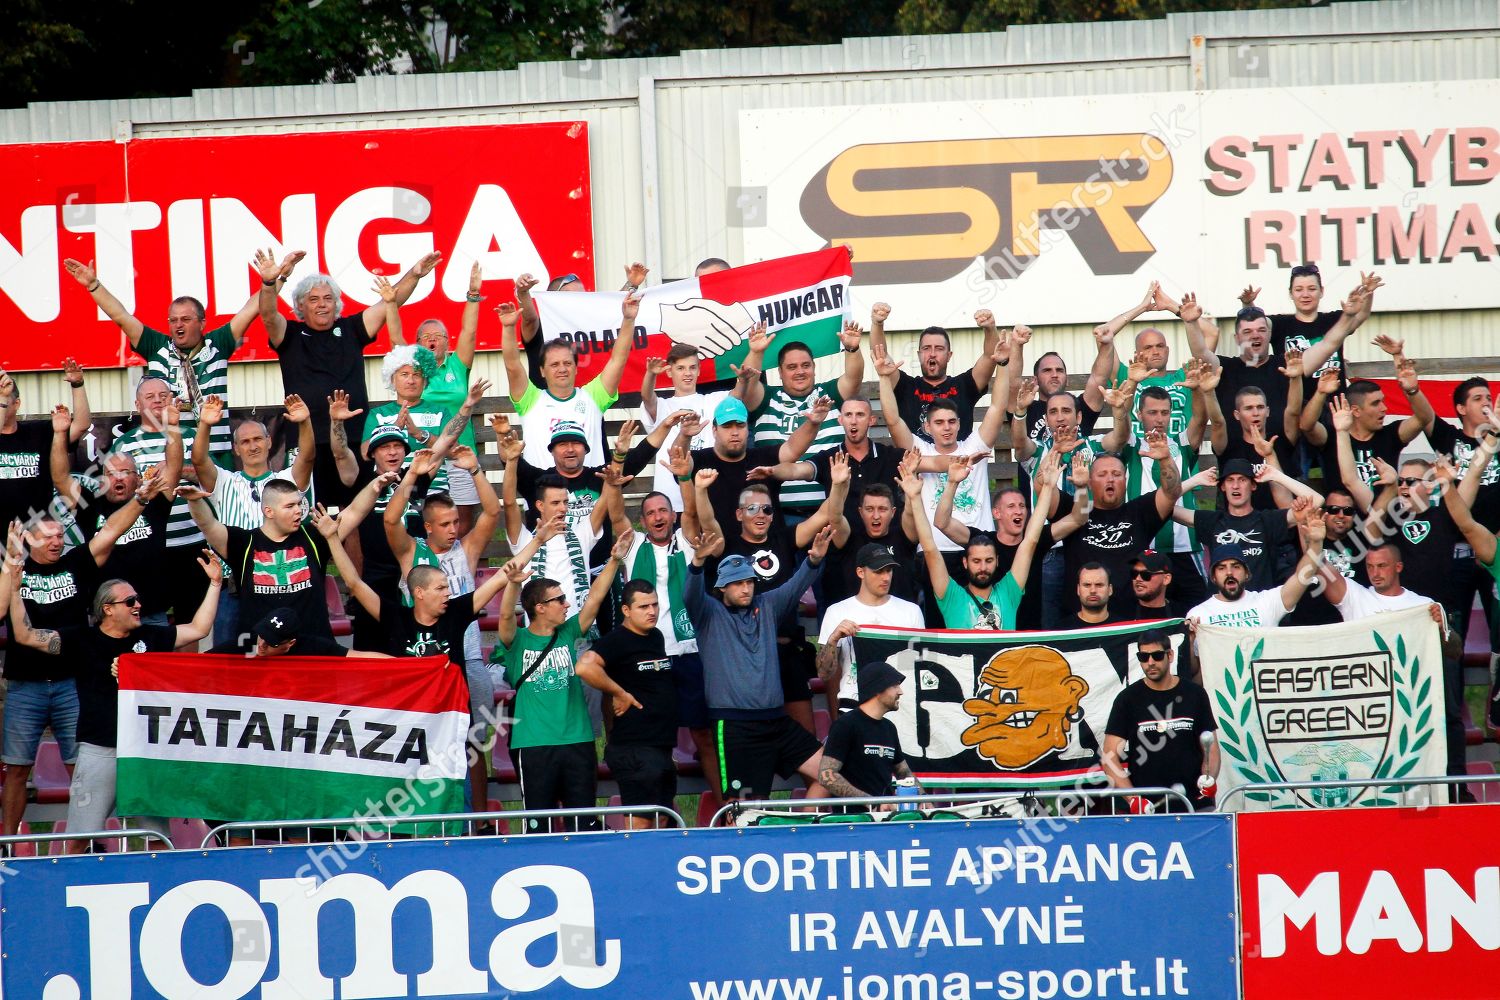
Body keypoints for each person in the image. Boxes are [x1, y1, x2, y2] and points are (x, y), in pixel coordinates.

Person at [323, 506, 554, 811]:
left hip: (451, 733)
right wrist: (331, 538)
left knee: (457, 806)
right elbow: (354, 583)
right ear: (418, 592)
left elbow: (501, 577)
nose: (448, 593)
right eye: (441, 588)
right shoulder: (396, 618)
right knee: (410, 808)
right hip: (410, 731)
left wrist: (537, 541)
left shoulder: (456, 614)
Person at [4, 555, 220, 852]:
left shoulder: (151, 636)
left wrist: (216, 583)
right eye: (129, 601)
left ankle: (157, 886)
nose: (138, 606)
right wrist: (15, 592)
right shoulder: (82, 640)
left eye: (137, 600)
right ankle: (71, 886)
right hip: (99, 749)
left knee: (158, 836)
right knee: (80, 836)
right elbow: (26, 636)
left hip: (143, 752)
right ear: (108, 609)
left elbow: (199, 629)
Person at [1, 496, 156, 836]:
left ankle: (87, 840)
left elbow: (113, 529)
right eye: (47, 537)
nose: (57, 542)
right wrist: (10, 568)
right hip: (24, 684)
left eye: (60, 535)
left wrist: (142, 498)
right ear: (28, 539)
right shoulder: (15, 569)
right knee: (15, 769)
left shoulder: (76, 564)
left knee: (80, 765)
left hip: (71, 682)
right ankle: (7, 844)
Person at [254, 249, 442, 504]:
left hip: (354, 441)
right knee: (309, 512)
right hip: (307, 445)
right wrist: (268, 283)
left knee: (357, 513)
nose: (322, 304)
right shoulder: (289, 334)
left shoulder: (351, 328)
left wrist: (415, 274)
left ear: (336, 303)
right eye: (314, 299)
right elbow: (267, 315)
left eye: (328, 298)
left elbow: (391, 302)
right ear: (300, 305)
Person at [690, 462, 847, 733]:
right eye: (752, 508)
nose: (760, 514)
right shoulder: (728, 544)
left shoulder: (785, 538)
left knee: (805, 739)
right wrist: (701, 491)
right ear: (739, 514)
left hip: (786, 651)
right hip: (745, 655)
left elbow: (825, 515)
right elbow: (707, 522)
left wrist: (839, 485)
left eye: (767, 509)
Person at [63, 256, 262, 466]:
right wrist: (94, 285)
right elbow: (120, 316)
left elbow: (250, 309)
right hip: (171, 453)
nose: (178, 325)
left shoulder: (218, 344)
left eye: (185, 319)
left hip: (216, 451)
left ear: (202, 323)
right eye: (173, 320)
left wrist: (275, 280)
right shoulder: (156, 345)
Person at [683, 526, 834, 801]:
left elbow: (796, 585)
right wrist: (697, 564)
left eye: (750, 582)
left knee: (830, 775)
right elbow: (690, 596)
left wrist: (813, 560)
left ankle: (802, 822)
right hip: (734, 726)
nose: (746, 588)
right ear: (722, 588)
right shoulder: (709, 613)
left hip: (776, 720)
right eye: (738, 583)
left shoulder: (766, 605)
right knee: (742, 809)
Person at [495, 532, 633, 831]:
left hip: (578, 741)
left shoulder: (569, 632)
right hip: (533, 744)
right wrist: (513, 584)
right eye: (558, 599)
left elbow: (595, 598)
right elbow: (506, 616)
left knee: (583, 823)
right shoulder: (516, 641)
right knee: (537, 828)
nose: (566, 604)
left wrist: (614, 560)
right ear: (539, 607)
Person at [1318, 541, 1463, 790]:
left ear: (1398, 567)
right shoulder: (1356, 596)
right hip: (1368, 705)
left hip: (1411, 704)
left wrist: (1441, 628)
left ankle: (1455, 793)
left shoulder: (1423, 604)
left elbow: (1455, 651)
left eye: (1382, 566)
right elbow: (1319, 566)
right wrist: (1311, 538)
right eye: (1370, 566)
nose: (1375, 572)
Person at [877, 336, 1013, 586]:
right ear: (927, 427)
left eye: (952, 421)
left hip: (978, 550)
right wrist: (885, 378)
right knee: (939, 625)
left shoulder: (975, 446)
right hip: (933, 550)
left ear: (960, 423)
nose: (946, 428)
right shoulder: (919, 449)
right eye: (939, 423)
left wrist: (1003, 365)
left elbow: (997, 407)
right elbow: (893, 420)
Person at [619, 456, 718, 792]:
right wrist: (616, 473)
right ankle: (662, 816)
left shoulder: (687, 539)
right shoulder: (632, 546)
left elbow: (691, 513)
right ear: (643, 520)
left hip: (690, 651)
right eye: (650, 513)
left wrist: (685, 476)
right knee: (656, 739)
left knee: (703, 733)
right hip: (649, 654)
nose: (658, 517)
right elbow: (616, 514)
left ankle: (727, 811)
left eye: (663, 511)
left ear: (671, 515)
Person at [190, 393, 319, 645]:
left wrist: (304, 422)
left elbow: (307, 457)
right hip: (234, 587)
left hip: (281, 583)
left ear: (270, 441)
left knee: (294, 654)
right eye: (245, 442)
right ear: (236, 448)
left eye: (258, 439)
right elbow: (199, 460)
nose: (253, 446)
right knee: (233, 659)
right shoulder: (224, 481)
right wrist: (204, 425)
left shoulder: (286, 481)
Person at [49, 403, 182, 629]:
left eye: (125, 472)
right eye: (111, 473)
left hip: (151, 615)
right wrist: (60, 434)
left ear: (138, 479)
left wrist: (174, 427)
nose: (118, 478)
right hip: (106, 618)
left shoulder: (153, 499)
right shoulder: (90, 504)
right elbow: (61, 478)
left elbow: (174, 469)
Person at [903, 453, 1054, 630]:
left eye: (988, 560)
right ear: (965, 562)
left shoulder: (1009, 593)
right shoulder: (952, 597)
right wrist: (915, 497)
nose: (983, 567)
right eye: (976, 561)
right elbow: (929, 548)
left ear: (997, 562)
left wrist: (1048, 488)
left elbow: (1030, 541)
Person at [576, 580, 680, 828]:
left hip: (660, 747)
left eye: (654, 604)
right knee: (641, 824)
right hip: (634, 747)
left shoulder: (655, 636)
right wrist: (619, 692)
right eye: (643, 606)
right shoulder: (617, 640)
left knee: (663, 819)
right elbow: (584, 666)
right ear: (626, 610)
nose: (652, 611)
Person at [109, 377, 210, 626]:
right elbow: (116, 491)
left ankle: (188, 667)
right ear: (137, 403)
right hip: (147, 546)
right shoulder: (124, 443)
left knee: (190, 618)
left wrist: (175, 470)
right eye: (149, 396)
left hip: (189, 539)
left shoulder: (191, 434)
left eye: (163, 396)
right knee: (148, 617)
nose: (157, 401)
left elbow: (209, 475)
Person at [501, 430, 631, 622]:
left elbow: (605, 497)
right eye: (555, 503)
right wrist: (512, 462)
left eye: (565, 502)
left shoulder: (581, 534)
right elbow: (510, 503)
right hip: (539, 635)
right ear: (539, 506)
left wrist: (618, 458)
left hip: (578, 634)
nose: (563, 508)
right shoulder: (525, 540)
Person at [740, 324, 865, 518]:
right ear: (780, 372)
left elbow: (854, 379)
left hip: (831, 511)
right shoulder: (766, 398)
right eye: (791, 367)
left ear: (814, 368)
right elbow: (747, 386)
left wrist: (852, 349)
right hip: (777, 514)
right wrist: (756, 352)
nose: (800, 371)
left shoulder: (830, 394)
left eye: (806, 365)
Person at [500, 290, 634, 469]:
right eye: (554, 364)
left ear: (576, 368)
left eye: (567, 363)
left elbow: (618, 359)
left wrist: (629, 319)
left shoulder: (593, 396)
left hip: (591, 493)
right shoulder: (530, 399)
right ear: (542, 371)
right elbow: (512, 365)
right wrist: (508, 328)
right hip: (542, 493)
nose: (562, 369)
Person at [1050, 441, 1182, 618]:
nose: (1110, 479)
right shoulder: (1076, 512)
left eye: (1116, 474)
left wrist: (1165, 459)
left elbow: (1171, 492)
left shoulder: (1140, 511)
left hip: (1131, 620)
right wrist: (1055, 451)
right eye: (1102, 474)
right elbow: (1042, 489)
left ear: (1125, 481)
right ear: (1089, 482)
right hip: (1082, 623)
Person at [1298, 336, 1434, 494]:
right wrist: (1321, 392)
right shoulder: (1333, 436)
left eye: (1382, 401)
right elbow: (1306, 426)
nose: (1384, 408)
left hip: (1384, 515)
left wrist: (1412, 388)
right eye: (1375, 403)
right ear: (1355, 411)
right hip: (1342, 515)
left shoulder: (1390, 435)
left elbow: (1424, 418)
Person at [1102, 630, 1218, 813]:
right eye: (1143, 657)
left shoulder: (1195, 694)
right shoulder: (1127, 699)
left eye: (1156, 655)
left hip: (1196, 805)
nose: (1150, 663)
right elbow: (1109, 757)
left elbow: (1210, 747)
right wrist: (1133, 800)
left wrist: (1209, 779)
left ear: (1170, 655)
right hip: (1149, 810)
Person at [1175, 458, 1320, 591]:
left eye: (1242, 480)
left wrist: (1277, 476)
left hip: (1260, 606)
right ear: (1223, 487)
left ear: (1253, 486)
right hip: (1221, 608)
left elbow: (1317, 501)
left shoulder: (1268, 520)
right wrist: (1194, 481)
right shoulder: (1212, 521)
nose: (1236, 486)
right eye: (1230, 480)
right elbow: (1162, 507)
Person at [816, 544, 924, 716]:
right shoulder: (837, 611)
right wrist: (833, 639)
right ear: (860, 572)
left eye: (889, 570)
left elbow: (918, 665)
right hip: (853, 703)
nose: (886, 577)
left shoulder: (911, 611)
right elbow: (824, 673)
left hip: (899, 706)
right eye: (878, 571)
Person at [416, 263, 485, 533]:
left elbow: (469, 332)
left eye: (439, 336)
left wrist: (473, 295)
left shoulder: (457, 365)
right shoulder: (414, 371)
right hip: (427, 454)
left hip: (459, 452)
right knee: (425, 520)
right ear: (418, 343)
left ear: (447, 341)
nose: (433, 341)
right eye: (426, 337)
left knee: (462, 521)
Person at [1185, 507, 1326, 638]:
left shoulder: (1266, 602)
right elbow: (1195, 664)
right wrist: (1191, 641)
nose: (1229, 572)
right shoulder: (1199, 615)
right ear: (1213, 578)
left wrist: (1316, 543)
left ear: (1247, 573)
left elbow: (1302, 577)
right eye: (1221, 568)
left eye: (1236, 566)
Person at [689, 396, 827, 529]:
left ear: (747, 429)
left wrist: (814, 423)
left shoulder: (763, 458)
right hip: (721, 549)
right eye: (727, 426)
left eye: (740, 425)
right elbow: (680, 462)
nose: (735, 432)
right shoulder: (700, 459)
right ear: (714, 430)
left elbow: (792, 448)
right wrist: (684, 436)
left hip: (771, 549)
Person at [763, 396, 905, 526]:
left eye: (860, 415)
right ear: (840, 420)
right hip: (842, 541)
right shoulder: (829, 457)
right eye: (848, 415)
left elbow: (923, 462)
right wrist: (772, 470)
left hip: (885, 541)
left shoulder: (889, 455)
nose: (853, 421)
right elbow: (796, 470)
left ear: (871, 420)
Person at [866, 303, 999, 437]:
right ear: (919, 355)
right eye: (926, 348)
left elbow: (990, 357)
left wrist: (990, 329)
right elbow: (880, 356)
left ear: (949, 355)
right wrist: (877, 324)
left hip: (958, 456)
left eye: (939, 349)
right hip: (916, 457)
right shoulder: (905, 386)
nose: (932, 354)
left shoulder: (964, 385)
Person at [639, 342, 742, 511]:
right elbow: (647, 397)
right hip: (671, 503)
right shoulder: (662, 405)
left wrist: (751, 361)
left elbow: (739, 393)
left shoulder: (712, 400)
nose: (687, 373)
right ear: (669, 371)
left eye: (692, 367)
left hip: (708, 499)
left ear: (699, 370)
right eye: (680, 368)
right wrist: (650, 374)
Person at [514, 263, 649, 388]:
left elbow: (612, 311)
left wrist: (631, 285)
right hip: (544, 407)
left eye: (582, 296)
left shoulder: (588, 322)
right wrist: (523, 292)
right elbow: (529, 319)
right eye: (572, 296)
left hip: (586, 404)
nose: (579, 301)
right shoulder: (540, 326)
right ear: (552, 299)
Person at [0, 365, 93, 530]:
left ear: (16, 404)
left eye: (4, 401)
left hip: (38, 536)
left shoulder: (38, 432)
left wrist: (77, 385)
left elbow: (81, 425)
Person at [818, 661, 916, 805]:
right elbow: (826, 776)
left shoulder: (889, 728)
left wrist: (925, 801)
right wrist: (871, 803)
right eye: (895, 685)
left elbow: (904, 773)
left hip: (886, 819)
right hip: (854, 821)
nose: (900, 691)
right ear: (878, 688)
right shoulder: (845, 724)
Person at [828, 481, 919, 607]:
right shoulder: (850, 538)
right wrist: (837, 485)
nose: (876, 516)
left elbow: (910, 513)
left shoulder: (903, 536)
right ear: (860, 512)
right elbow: (835, 517)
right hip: (857, 619)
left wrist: (911, 492)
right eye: (869, 509)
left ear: (893, 512)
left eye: (882, 509)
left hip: (899, 617)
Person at [209, 607, 374, 657]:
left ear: (290, 643)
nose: (261, 645)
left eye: (271, 642)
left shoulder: (312, 648)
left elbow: (358, 657)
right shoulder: (249, 645)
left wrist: (400, 667)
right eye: (262, 635)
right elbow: (201, 660)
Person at [1129, 552, 1188, 620]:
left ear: (1166, 579)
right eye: (1134, 573)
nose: (1138, 579)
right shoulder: (1121, 614)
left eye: (1146, 575)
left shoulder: (1182, 616)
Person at [1071, 563, 1130, 629]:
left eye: (1099, 585)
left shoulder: (1124, 629)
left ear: (1110, 589)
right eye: (1087, 585)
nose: (1093, 591)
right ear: (1078, 589)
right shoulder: (1061, 631)